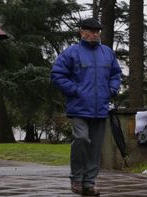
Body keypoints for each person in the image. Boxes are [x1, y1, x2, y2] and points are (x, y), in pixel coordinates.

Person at [51, 18, 122, 196]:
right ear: (82, 32)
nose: (95, 34)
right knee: (82, 139)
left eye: (97, 31)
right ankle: (76, 179)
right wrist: (75, 91)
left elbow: (115, 74)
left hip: (101, 109)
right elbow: (57, 74)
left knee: (96, 147)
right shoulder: (71, 53)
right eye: (91, 31)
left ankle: (89, 184)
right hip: (79, 107)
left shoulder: (107, 53)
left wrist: (112, 89)